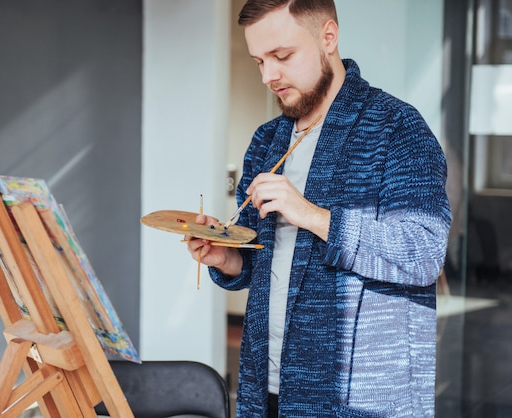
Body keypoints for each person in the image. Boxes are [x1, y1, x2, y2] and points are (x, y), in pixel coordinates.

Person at [185, 1, 451, 417]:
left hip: (359, 401)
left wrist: (310, 214)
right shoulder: (267, 140)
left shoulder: (397, 129)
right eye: (259, 60)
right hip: (266, 388)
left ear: (328, 37)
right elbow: (264, 265)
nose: (268, 75)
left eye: (282, 56)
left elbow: (423, 254)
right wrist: (228, 258)